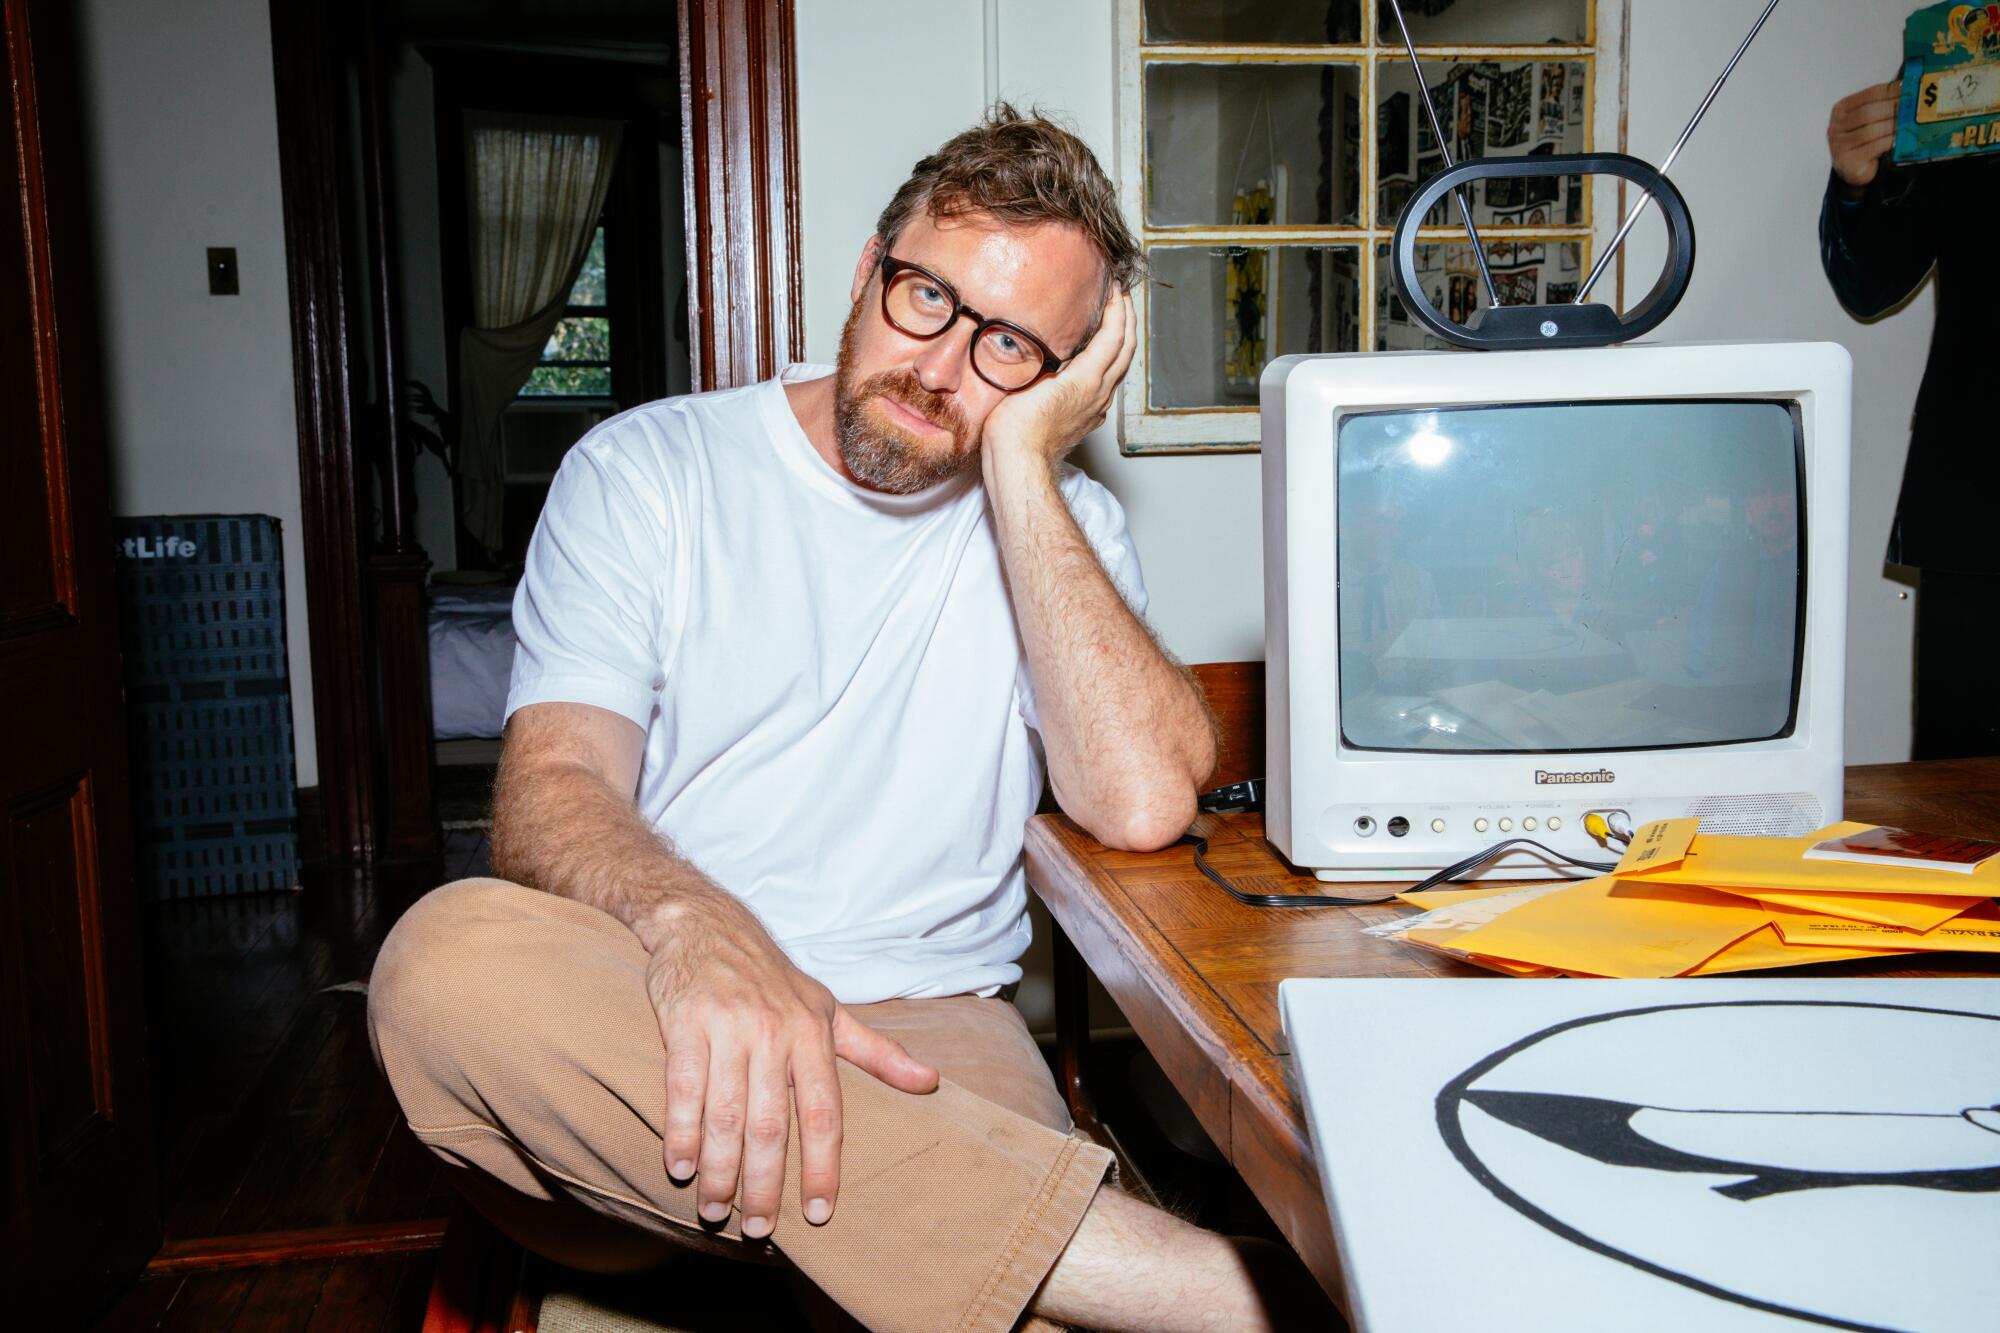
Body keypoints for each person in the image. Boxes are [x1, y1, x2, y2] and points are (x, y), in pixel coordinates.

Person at [366, 106, 1331, 1332]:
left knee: (962, 1232)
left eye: (1011, 350)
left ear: (1065, 384)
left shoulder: (1066, 530)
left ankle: (956, 1239)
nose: (938, 369)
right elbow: (552, 785)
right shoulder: (646, 470)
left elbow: (1140, 802)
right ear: (871, 266)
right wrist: (698, 932)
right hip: (656, 1017)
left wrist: (1022, 470)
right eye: (925, 297)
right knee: (438, 963)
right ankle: (1232, 1293)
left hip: (928, 1041)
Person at [1820, 80, 2000, 757]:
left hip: (1971, 503)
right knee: (1965, 799)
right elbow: (1871, 283)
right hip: (1980, 505)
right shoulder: (1966, 60)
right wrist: (1857, 182)